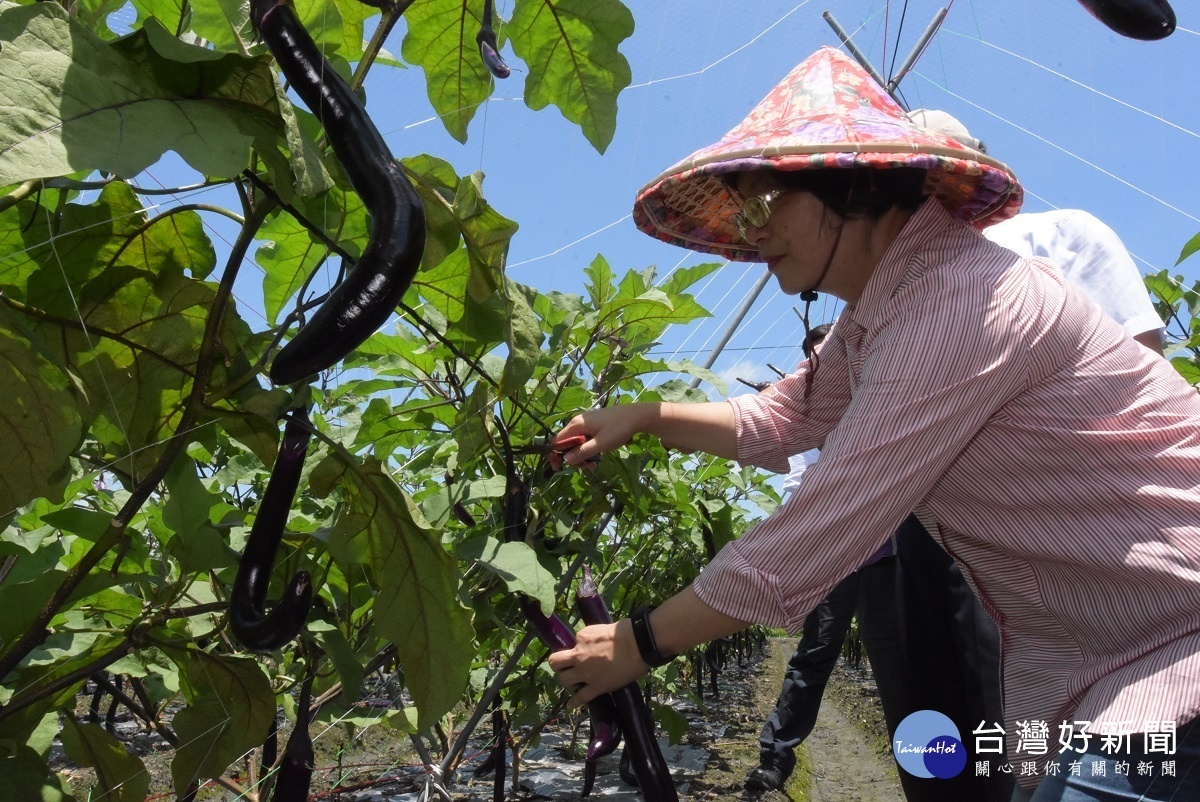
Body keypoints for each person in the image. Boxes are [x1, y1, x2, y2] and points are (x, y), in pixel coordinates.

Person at [547, 47, 1200, 802]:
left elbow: (819, 527)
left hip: (1173, 640)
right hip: (1110, 654)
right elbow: (780, 417)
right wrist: (644, 416)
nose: (753, 236)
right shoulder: (883, 315)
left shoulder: (955, 306)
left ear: (854, 190)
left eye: (765, 207)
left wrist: (641, 641)